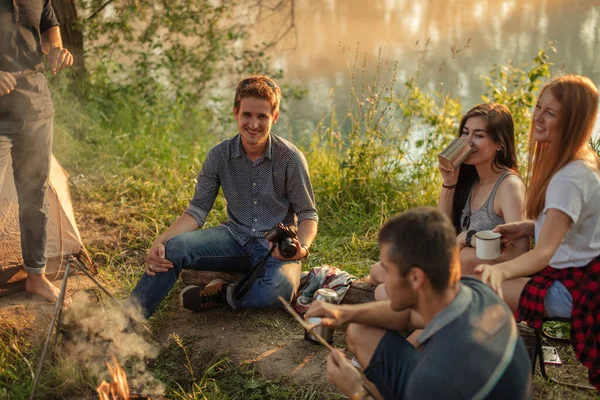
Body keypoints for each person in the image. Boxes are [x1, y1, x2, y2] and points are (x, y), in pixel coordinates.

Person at [130, 75, 318, 319]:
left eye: (262, 116)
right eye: (247, 115)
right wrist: (162, 240)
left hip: (274, 249)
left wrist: (301, 248)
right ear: (236, 113)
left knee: (281, 290)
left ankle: (224, 294)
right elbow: (197, 210)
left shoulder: (290, 158)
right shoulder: (219, 155)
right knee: (173, 248)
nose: (254, 124)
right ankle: (128, 320)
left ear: (275, 117)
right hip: (234, 239)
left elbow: (307, 214)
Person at [306, 207, 531, 400]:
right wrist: (342, 313)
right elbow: (408, 316)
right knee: (359, 331)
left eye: (387, 268)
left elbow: (435, 382)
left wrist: (355, 390)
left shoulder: (432, 380)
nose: (378, 272)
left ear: (415, 278)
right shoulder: (476, 290)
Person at [475, 75, 600, 390]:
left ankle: (500, 376)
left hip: (580, 288)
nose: (538, 118)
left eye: (551, 113)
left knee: (486, 289)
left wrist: (499, 273)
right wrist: (528, 226)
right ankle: (503, 365)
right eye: (538, 107)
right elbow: (572, 228)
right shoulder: (581, 159)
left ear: (572, 120)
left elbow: (544, 252)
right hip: (580, 271)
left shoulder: (569, 178)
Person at [369, 103, 529, 301]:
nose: (468, 142)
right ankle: (418, 299)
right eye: (465, 133)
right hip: (451, 266)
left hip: (476, 274)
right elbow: (442, 231)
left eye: (479, 135)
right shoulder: (471, 179)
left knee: (385, 290)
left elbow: (521, 254)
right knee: (377, 272)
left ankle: (419, 303)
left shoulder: (508, 186)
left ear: (500, 143)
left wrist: (467, 240)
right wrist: (449, 184)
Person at [0, 0, 74, 303]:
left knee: (35, 194)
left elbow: (48, 27)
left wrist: (56, 49)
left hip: (36, 106)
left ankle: (36, 276)